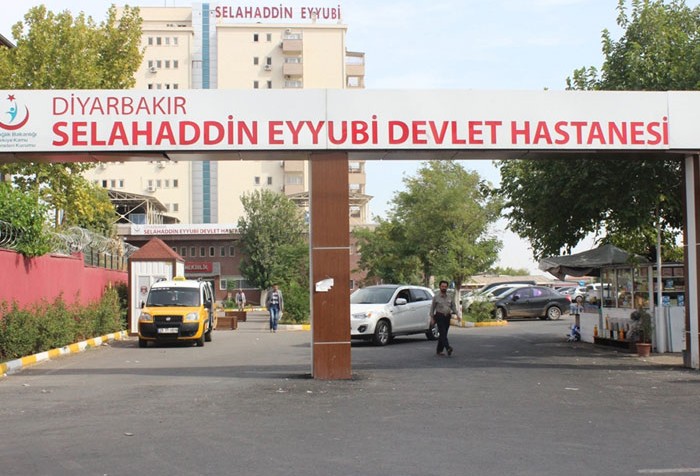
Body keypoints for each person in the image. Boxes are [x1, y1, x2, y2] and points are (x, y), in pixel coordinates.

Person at [430, 280, 459, 356]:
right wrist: (432, 318)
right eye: (442, 286)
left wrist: (457, 314)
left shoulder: (450, 297)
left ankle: (439, 350)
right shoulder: (436, 297)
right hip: (439, 316)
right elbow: (432, 308)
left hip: (447, 317)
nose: (444, 288)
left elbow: (453, 306)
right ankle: (448, 347)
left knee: (444, 334)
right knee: (442, 332)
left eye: (445, 287)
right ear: (440, 287)